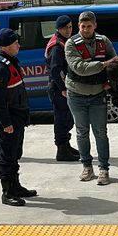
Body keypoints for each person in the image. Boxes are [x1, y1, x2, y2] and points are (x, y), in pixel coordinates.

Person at [65, 11, 117, 185]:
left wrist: (110, 80)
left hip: (97, 95)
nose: (86, 29)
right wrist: (102, 65)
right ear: (78, 26)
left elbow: (115, 64)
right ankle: (87, 166)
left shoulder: (104, 41)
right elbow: (79, 68)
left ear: (95, 25)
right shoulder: (71, 44)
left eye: (89, 26)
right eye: (82, 26)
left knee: (101, 133)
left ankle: (104, 169)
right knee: (81, 132)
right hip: (76, 94)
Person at [0, 28, 37, 206]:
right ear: (6, 46)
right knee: (6, 155)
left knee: (15, 153)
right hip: (8, 119)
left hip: (18, 117)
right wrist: (6, 122)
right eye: (16, 43)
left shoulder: (11, 61)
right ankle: (7, 192)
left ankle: (16, 186)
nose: (19, 45)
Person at [45, 15, 80, 162]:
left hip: (61, 87)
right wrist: (63, 88)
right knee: (62, 118)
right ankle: (61, 149)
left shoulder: (63, 42)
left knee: (67, 118)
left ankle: (66, 144)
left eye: (70, 27)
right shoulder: (57, 46)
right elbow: (55, 70)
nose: (68, 30)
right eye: (65, 28)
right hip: (58, 88)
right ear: (58, 29)